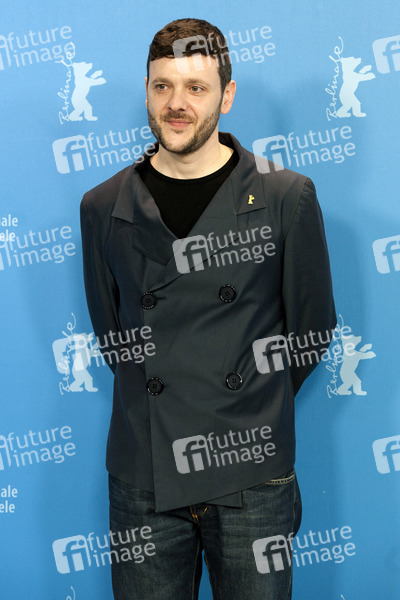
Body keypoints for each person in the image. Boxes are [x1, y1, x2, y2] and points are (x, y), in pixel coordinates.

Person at [80, 17, 336, 600]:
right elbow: (113, 336)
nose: (177, 104)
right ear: (147, 91)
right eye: (162, 86)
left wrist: (248, 400)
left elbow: (311, 331)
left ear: (227, 94)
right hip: (144, 473)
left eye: (196, 87)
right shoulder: (102, 205)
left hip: (253, 474)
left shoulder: (285, 196)